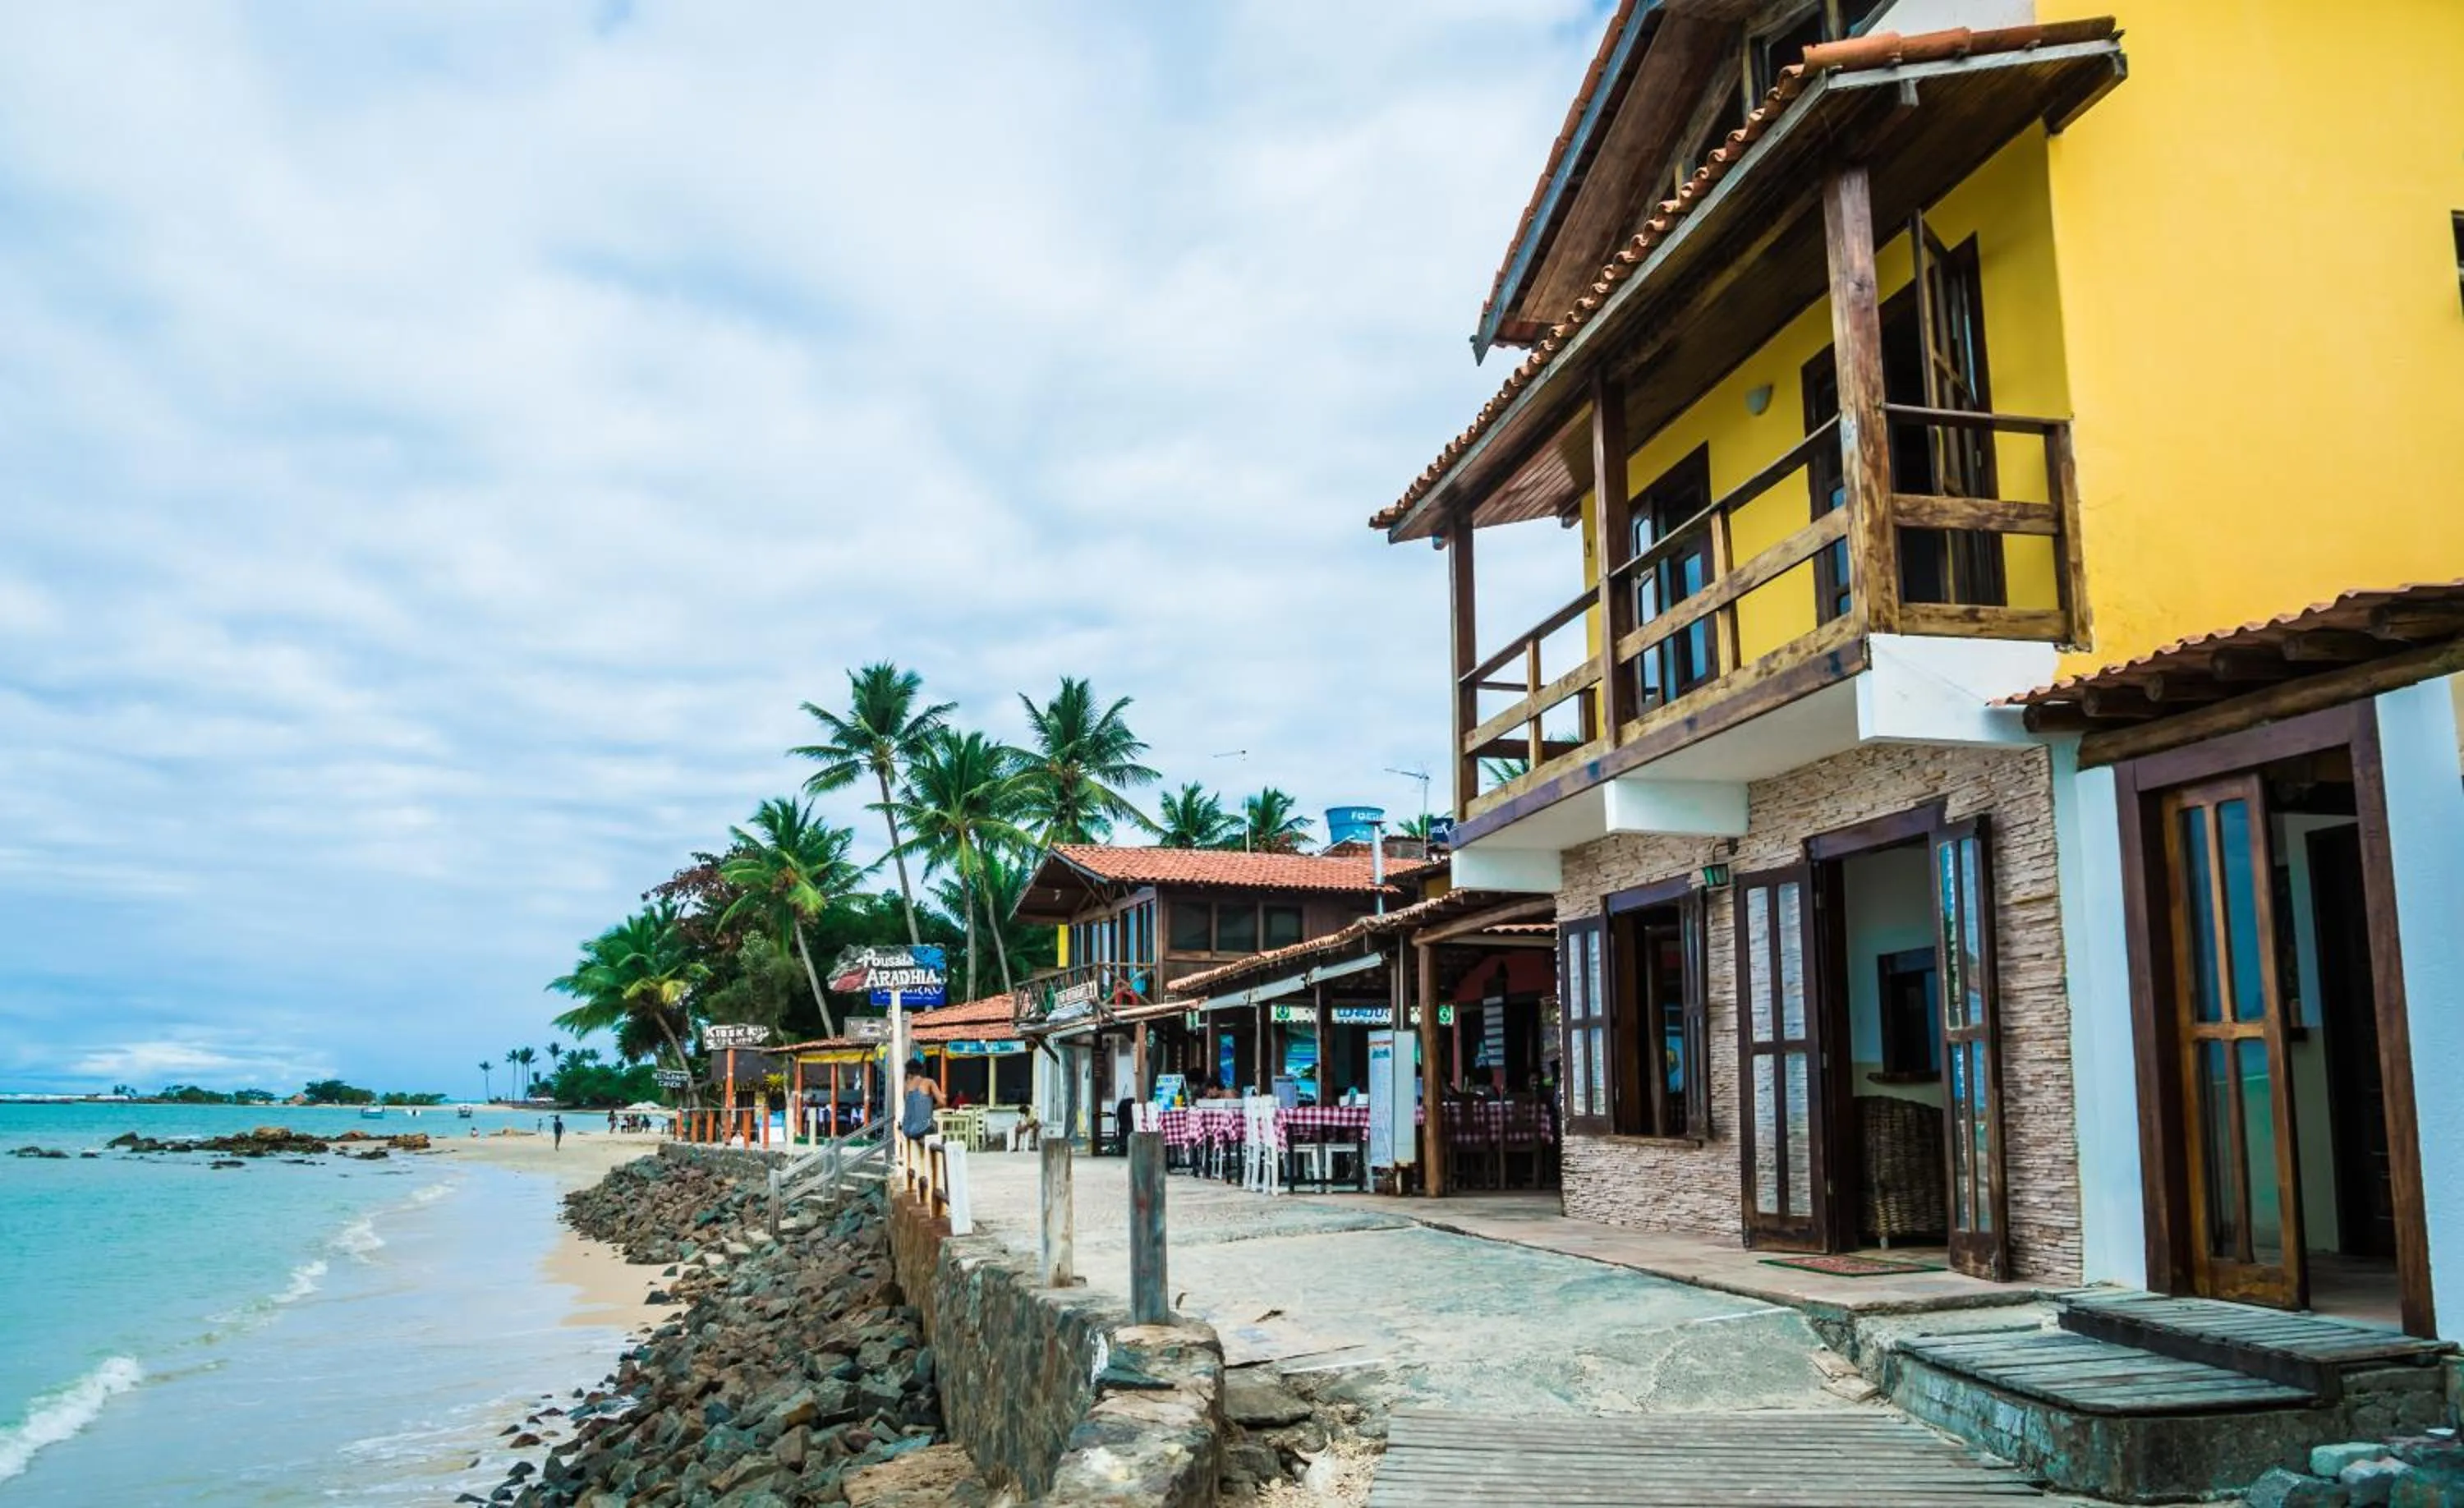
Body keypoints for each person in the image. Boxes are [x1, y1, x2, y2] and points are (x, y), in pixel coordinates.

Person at [900, 1057, 942, 1142]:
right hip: (922, 1130)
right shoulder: (929, 1082)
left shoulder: (906, 1087)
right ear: (920, 1070)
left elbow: (909, 1105)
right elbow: (942, 1103)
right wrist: (931, 1107)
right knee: (934, 1125)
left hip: (906, 1130)